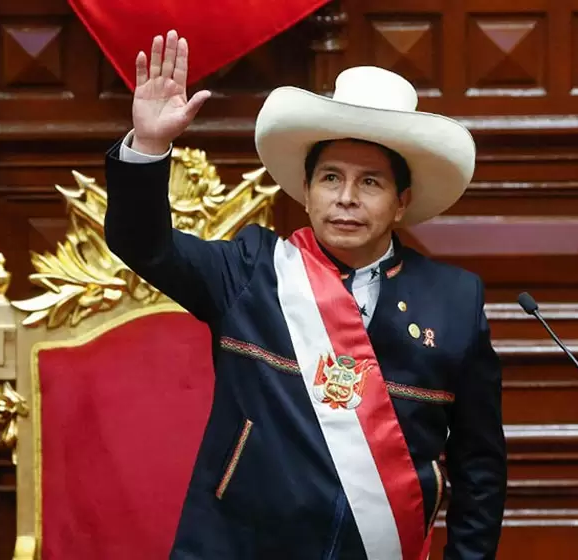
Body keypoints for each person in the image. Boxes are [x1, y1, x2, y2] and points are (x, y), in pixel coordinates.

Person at [104, 29, 507, 560]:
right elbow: (143, 244)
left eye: (370, 182)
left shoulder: (454, 301)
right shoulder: (251, 270)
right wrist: (150, 146)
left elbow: (479, 468)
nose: (346, 198)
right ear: (307, 191)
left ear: (401, 201)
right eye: (331, 178)